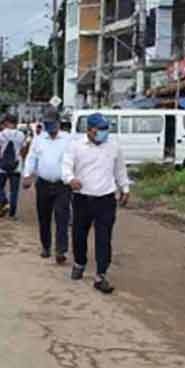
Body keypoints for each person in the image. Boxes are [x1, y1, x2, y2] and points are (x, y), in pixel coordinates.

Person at [62, 112, 130, 294]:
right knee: (79, 234)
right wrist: (70, 179)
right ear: (89, 130)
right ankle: (79, 263)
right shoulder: (76, 147)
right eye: (99, 129)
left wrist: (125, 188)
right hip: (82, 198)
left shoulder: (114, 147)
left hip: (106, 199)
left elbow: (120, 170)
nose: (103, 133)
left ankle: (101, 275)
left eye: (105, 129)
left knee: (104, 237)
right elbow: (66, 166)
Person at [23, 108, 73, 264]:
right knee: (44, 217)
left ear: (58, 123)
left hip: (62, 185)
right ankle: (46, 246)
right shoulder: (39, 139)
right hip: (43, 184)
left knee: (62, 217)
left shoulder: (69, 139)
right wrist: (27, 175)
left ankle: (61, 250)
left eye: (51, 123)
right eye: (46, 123)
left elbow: (76, 159)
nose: (48, 126)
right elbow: (31, 158)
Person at [0, 113, 27, 218]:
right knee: (14, 191)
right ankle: (12, 213)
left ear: (7, 122)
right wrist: (21, 161)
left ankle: (4, 202)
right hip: (16, 166)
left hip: (3, 166)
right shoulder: (21, 135)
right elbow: (23, 151)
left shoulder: (1, 134)